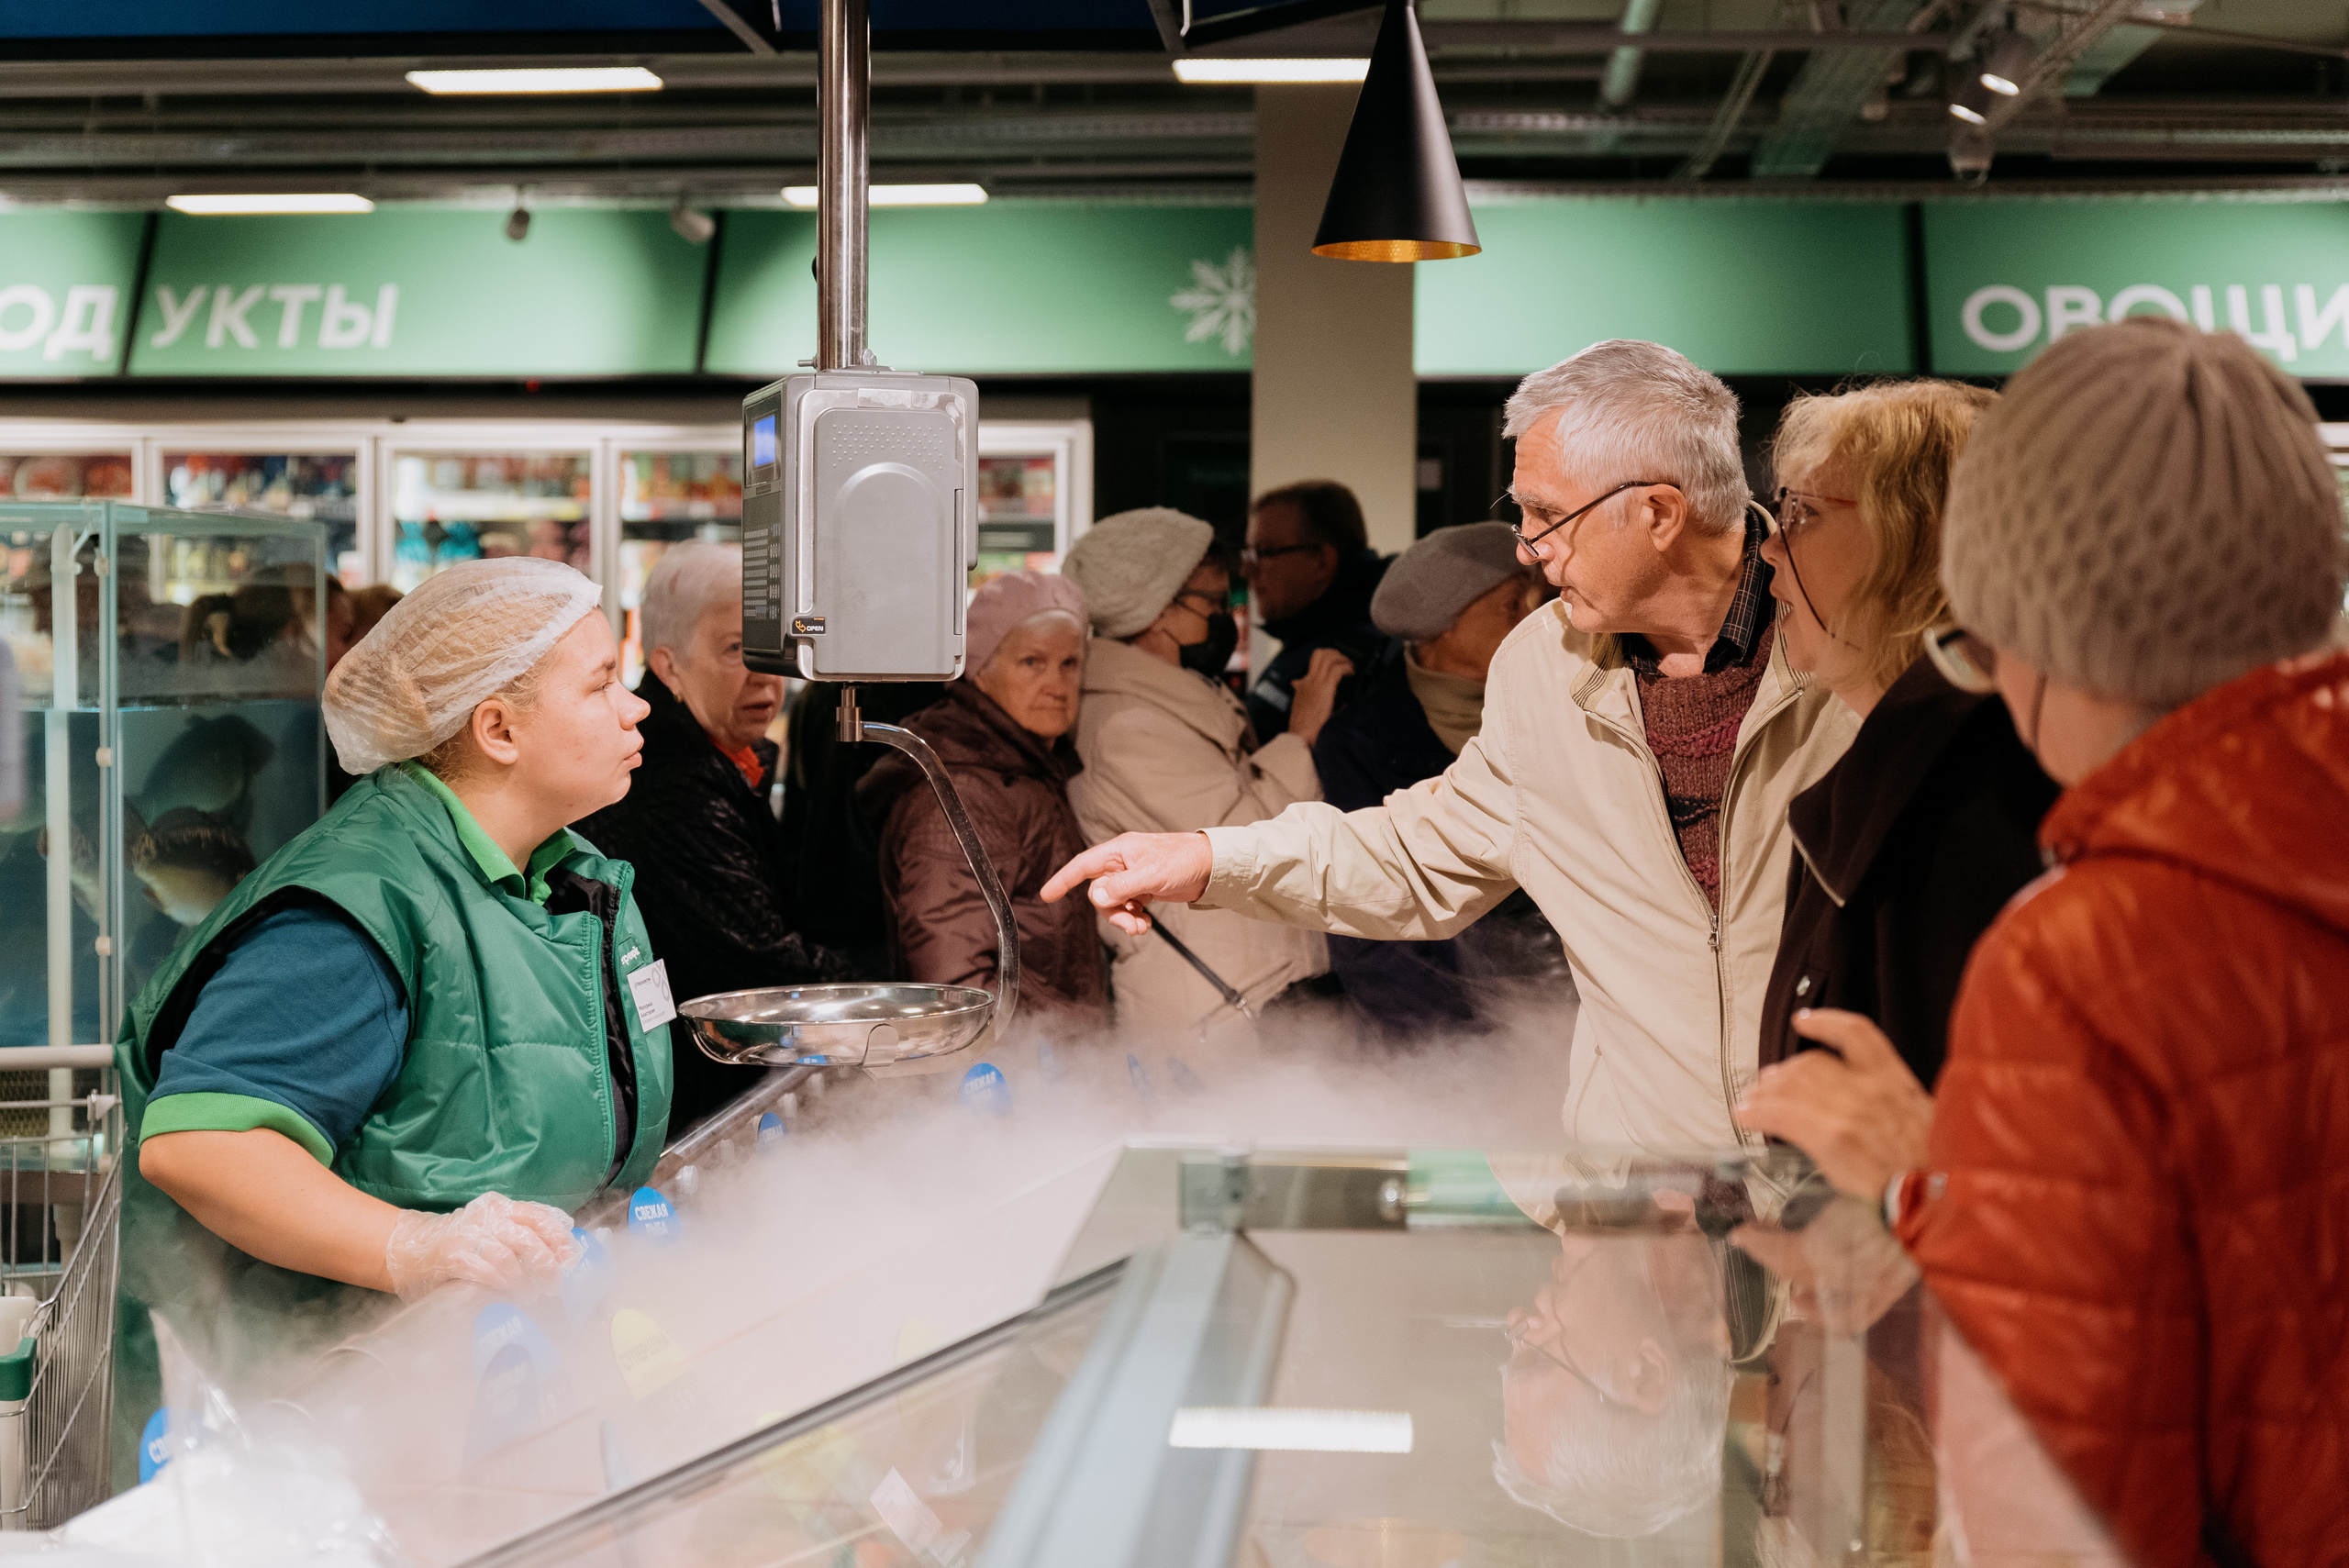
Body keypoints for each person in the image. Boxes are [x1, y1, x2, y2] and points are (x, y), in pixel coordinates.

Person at [1731, 319, 2349, 1568]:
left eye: (1985, 646)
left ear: (2032, 615)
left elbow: (2074, 1510)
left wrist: (1933, 1189)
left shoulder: (2082, 957)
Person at [1046, 342, 1860, 1148]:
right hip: (1642, 1204)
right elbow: (1421, 852)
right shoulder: (1543, 664)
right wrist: (1210, 859)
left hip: (1844, 1193)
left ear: (1657, 513)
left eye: (1547, 514)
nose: (1526, 548)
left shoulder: (1869, 645)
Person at [116, 557, 674, 1485]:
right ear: (498, 728)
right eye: (601, 682)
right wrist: (418, 1246)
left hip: (479, 1411)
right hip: (326, 1434)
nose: (636, 707)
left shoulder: (561, 878)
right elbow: (201, 1145)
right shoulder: (354, 907)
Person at [1733, 380, 2055, 1093]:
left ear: (1922, 533)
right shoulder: (1911, 762)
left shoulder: (1972, 785)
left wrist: (1890, 1191)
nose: (1770, 550)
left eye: (1804, 513)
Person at [573, 540, 843, 1130]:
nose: (766, 677)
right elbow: (764, 965)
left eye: (775, 648)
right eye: (736, 649)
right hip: (683, 1105)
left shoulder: (724, 756)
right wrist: (887, 984)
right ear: (669, 667)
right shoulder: (672, 783)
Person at [1060, 507, 1349, 1044]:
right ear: (1157, 610)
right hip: (1208, 1018)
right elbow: (1248, 840)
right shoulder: (1127, 725)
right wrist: (1301, 735)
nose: (1229, 619)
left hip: (1248, 995)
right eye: (1213, 603)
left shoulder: (1175, 702)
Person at [1311, 522, 1570, 1040]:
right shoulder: (1358, 744)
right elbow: (1366, 917)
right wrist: (1469, 1048)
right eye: (1513, 604)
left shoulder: (1571, 709)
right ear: (1445, 623)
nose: (1536, 620)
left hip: (1573, 1024)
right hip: (1451, 1051)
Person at [859, 572, 1108, 1030]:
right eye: (1032, 662)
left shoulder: (1029, 766)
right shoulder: (966, 791)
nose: (1056, 683)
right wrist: (1015, 1079)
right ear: (981, 669)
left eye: (1069, 664)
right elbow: (954, 979)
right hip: (1016, 1079)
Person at [1241, 479, 1390, 740]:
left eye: (1264, 552)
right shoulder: (1310, 631)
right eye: (1250, 553)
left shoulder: (1358, 659)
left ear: (1322, 561)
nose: (1247, 571)